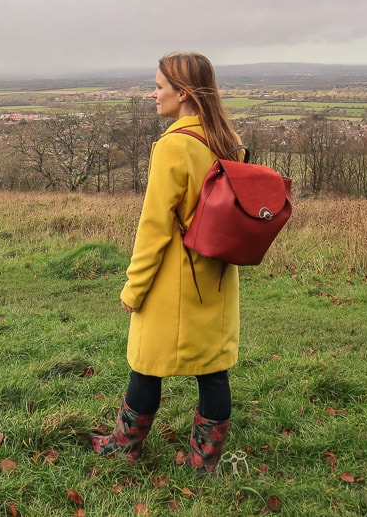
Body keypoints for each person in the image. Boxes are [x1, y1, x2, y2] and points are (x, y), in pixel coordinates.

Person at [89, 52, 244, 470]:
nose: (153, 93)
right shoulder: (226, 140)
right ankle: (204, 460)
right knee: (213, 370)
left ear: (184, 93)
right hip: (216, 276)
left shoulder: (174, 146)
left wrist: (134, 288)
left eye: (159, 86)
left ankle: (124, 446)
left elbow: (154, 227)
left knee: (146, 364)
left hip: (173, 279)